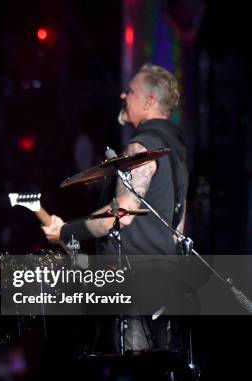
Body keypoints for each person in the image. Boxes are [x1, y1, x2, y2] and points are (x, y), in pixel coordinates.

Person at [43, 63, 190, 351]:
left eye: (131, 91)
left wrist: (67, 231)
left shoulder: (141, 147)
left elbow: (123, 213)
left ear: (149, 101)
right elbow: (178, 227)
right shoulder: (177, 156)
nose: (123, 95)